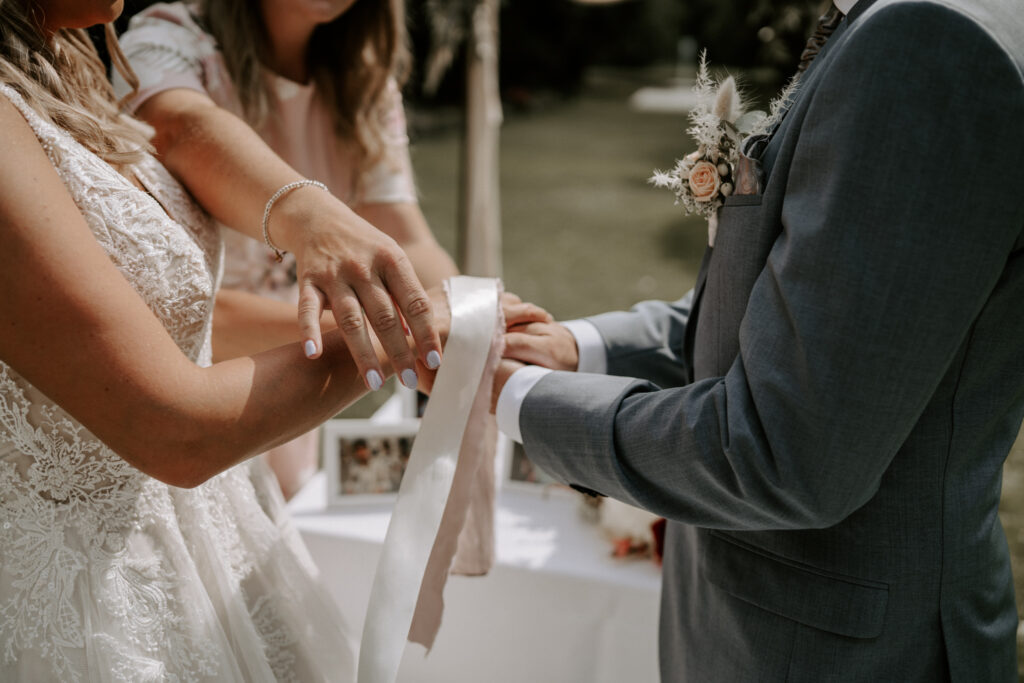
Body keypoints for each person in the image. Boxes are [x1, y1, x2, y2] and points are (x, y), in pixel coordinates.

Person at [491, 0, 1024, 679]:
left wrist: (523, 400)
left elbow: (782, 448)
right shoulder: (896, 23)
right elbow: (791, 313)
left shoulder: (924, 42)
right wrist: (575, 348)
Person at [0, 0, 442, 678]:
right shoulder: (164, 47)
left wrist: (473, 311)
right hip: (92, 598)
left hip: (225, 520)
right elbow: (172, 427)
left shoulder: (69, 63)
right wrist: (413, 332)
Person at [112, 0, 459, 498]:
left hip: (299, 387)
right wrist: (317, 223)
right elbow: (179, 126)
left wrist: (472, 319)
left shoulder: (363, 80)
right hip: (195, 389)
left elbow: (404, 237)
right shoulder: (168, 44)